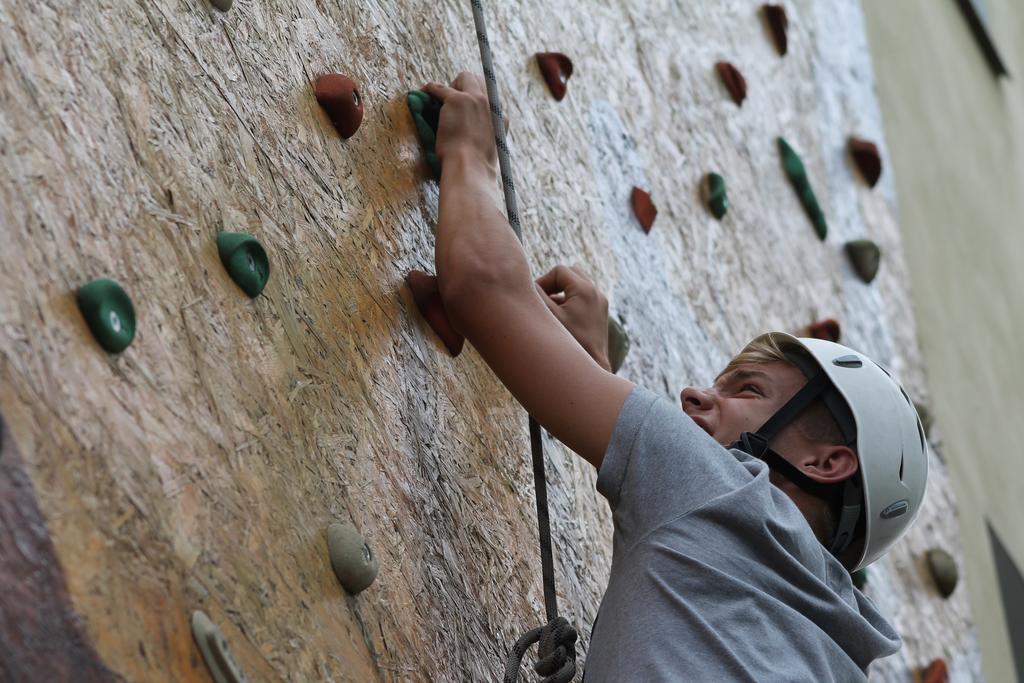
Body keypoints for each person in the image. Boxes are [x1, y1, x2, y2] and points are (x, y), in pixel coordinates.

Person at [420, 72, 928, 681]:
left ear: (826, 463)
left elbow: (480, 284)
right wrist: (589, 370)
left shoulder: (726, 493)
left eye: (748, 391)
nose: (693, 395)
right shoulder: (832, 655)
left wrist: (469, 153)